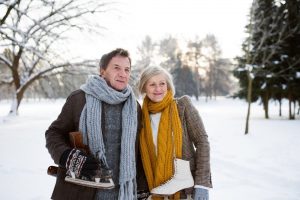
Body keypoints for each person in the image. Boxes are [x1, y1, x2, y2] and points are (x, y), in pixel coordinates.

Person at [45, 48, 148, 200]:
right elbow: (54, 133)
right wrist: (68, 157)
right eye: (116, 68)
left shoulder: (134, 106)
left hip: (121, 194)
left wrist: (141, 188)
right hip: (80, 191)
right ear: (102, 71)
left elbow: (137, 151)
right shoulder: (79, 99)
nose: (123, 74)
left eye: (127, 69)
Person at [138, 66, 212, 200]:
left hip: (186, 193)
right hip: (155, 191)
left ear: (168, 85)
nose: (158, 89)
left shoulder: (182, 106)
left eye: (162, 83)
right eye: (152, 84)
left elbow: (202, 142)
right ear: (144, 87)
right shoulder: (141, 116)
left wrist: (202, 184)